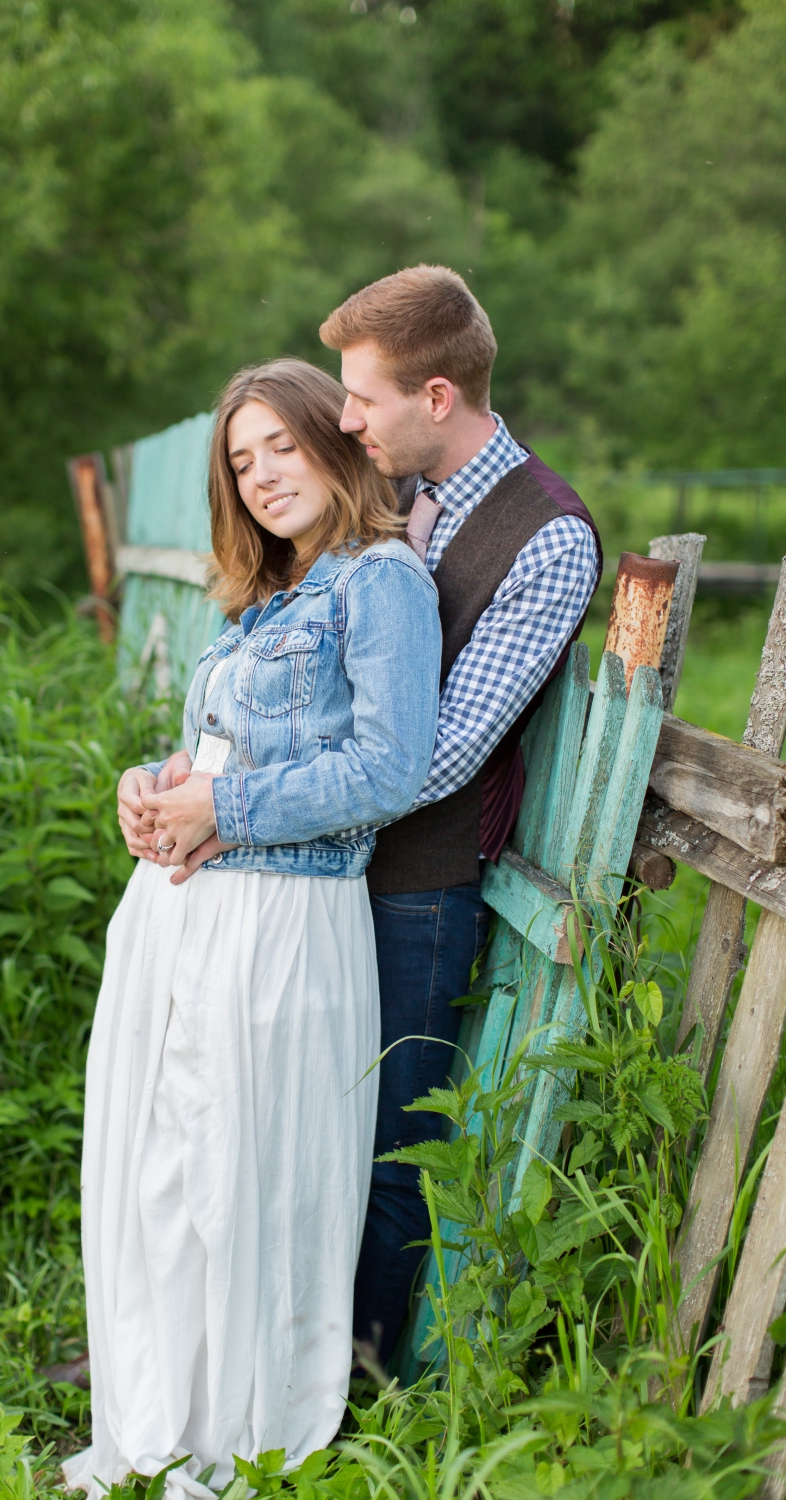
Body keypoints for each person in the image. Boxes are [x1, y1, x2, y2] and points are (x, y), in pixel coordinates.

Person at [62, 358, 441, 1499]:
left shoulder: (380, 583)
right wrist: (153, 785)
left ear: (334, 439)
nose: (263, 474)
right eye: (241, 459)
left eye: (281, 444)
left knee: (241, 1172)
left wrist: (217, 807)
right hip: (187, 915)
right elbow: (218, 754)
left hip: (280, 919)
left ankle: (233, 1424)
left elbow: (388, 767)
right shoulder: (263, 598)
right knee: (167, 1168)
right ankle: (159, 1409)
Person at [318, 264, 603, 1364]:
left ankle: (362, 1385)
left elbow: (433, 760)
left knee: (394, 1145)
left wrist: (262, 803)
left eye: (364, 398)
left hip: (418, 890)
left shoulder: (548, 536)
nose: (346, 420)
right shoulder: (386, 488)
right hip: (326, 859)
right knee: (313, 1117)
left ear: (437, 396)